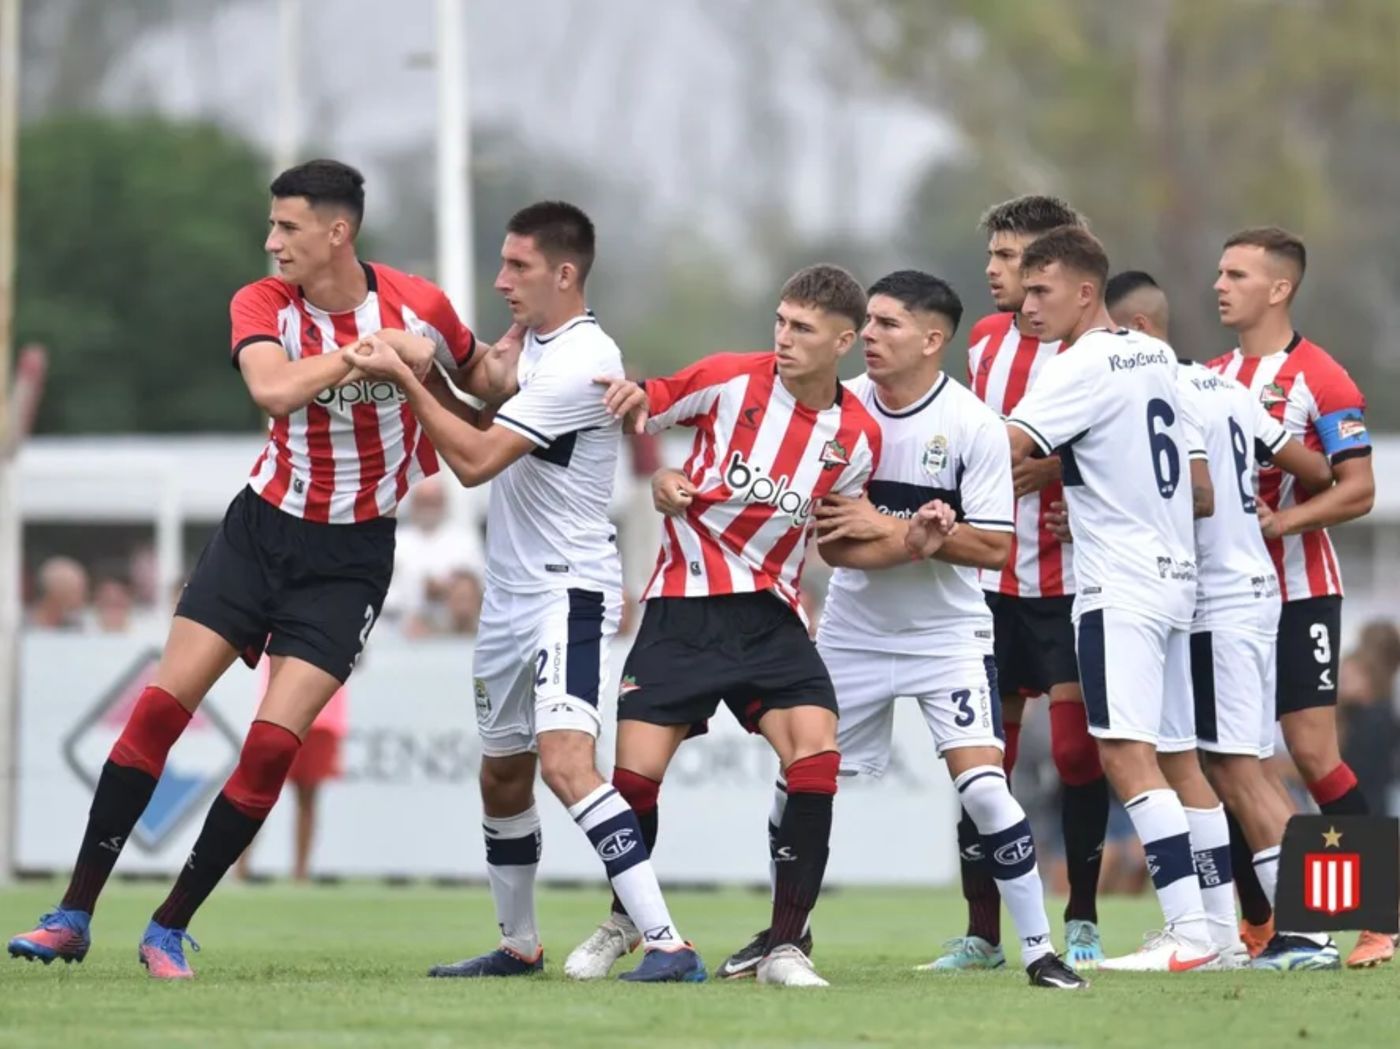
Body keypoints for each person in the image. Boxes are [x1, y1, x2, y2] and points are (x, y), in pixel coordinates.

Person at [8, 159, 488, 979]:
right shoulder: (261, 302)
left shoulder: (423, 305)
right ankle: (73, 912)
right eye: (271, 226)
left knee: (271, 746)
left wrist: (446, 360)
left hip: (353, 557)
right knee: (158, 711)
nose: (271, 242)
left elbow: (485, 394)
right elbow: (271, 390)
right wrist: (364, 358)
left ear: (338, 232)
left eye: (287, 227)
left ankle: (167, 926)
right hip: (259, 533)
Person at [346, 201, 702, 983]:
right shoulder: (538, 347)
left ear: (564, 273)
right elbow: (484, 405)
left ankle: (668, 941)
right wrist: (437, 360)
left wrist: (407, 372)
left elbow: (474, 459)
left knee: (568, 761)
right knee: (502, 771)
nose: (502, 280)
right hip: (508, 595)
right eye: (502, 263)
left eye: (518, 267)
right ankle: (519, 944)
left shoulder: (583, 358)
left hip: (564, 591)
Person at [744, 270, 1088, 989]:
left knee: (986, 791)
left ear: (933, 339)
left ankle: (1039, 951)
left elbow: (993, 546)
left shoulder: (973, 427)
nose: (867, 335)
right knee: (796, 782)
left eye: (886, 324)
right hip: (854, 633)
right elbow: (835, 544)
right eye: (865, 322)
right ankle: (784, 936)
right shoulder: (844, 414)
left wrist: (907, 530)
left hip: (949, 637)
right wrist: (910, 536)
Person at [566, 264, 883, 988]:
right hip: (680, 605)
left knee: (815, 757)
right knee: (634, 782)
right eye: (779, 321)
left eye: (802, 329)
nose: (784, 338)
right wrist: (661, 477)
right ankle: (626, 920)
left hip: (769, 614)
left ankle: (785, 944)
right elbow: (652, 406)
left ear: (844, 341)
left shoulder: (857, 437)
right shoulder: (732, 378)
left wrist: (895, 530)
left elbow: (836, 536)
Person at [1107, 269, 1341, 970]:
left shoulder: (1170, 389)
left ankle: (1323, 928)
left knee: (1256, 768)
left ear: (1139, 331)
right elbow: (1312, 465)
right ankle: (1307, 925)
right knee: (1248, 765)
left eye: (1111, 337)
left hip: (1221, 598)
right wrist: (1261, 511)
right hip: (1256, 585)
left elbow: (1199, 496)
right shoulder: (1228, 387)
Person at [1004, 226, 1221, 972]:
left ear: (1086, 292)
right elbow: (1198, 487)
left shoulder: (1080, 363)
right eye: (1025, 290)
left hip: (1117, 583)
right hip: (1174, 575)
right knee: (1180, 758)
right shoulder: (1156, 353)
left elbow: (1008, 448)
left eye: (1042, 290)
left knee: (1125, 757)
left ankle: (1187, 932)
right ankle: (1217, 931)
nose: (1029, 306)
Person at [1206, 227, 1392, 969]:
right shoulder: (1211, 374)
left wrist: (1283, 518)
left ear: (1279, 288)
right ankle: (1265, 922)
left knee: (1312, 750)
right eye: (1219, 272)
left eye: (1237, 274)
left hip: (1299, 592)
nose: (1219, 285)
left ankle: (1380, 914)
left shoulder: (1323, 377)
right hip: (1221, 598)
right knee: (1228, 757)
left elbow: (1359, 488)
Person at [938, 195, 1110, 971]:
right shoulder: (982, 343)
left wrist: (1061, 469)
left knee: (1079, 754)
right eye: (996, 257)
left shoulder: (1107, 353)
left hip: (1077, 582)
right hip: (991, 585)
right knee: (984, 761)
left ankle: (1085, 916)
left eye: (1010, 259)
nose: (995, 272)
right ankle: (983, 932)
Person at [381, 474, 484, 631]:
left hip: (454, 629)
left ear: (444, 503)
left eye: (434, 501)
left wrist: (447, 589)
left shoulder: (465, 539)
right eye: (424, 501)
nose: (429, 507)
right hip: (402, 628)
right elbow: (384, 594)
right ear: (414, 503)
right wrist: (420, 592)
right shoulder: (395, 541)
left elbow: (478, 585)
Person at [26, 556, 89, 630]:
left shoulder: (78, 625)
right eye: (77, 591)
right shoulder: (23, 622)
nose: (83, 597)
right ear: (56, 593)